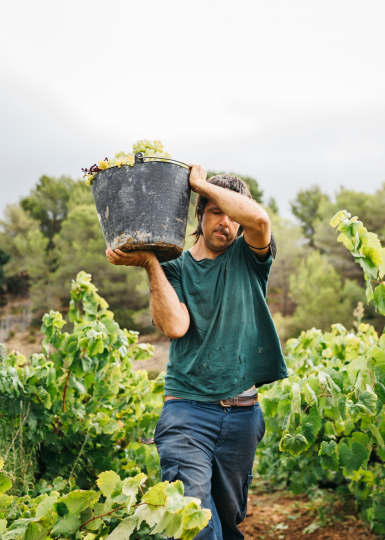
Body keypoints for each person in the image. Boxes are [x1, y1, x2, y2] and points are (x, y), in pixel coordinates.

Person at [105, 164, 288, 540]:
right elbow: (176, 326)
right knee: (193, 521)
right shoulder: (175, 268)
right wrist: (151, 264)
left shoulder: (250, 258)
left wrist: (200, 184)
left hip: (243, 415)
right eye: (215, 212)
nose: (226, 222)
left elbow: (259, 218)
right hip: (187, 413)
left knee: (228, 520)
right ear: (199, 214)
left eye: (231, 214)